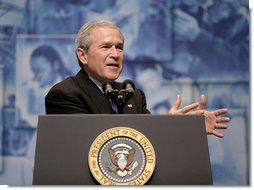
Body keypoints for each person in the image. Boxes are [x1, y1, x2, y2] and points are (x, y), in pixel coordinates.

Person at [45, 19, 229, 138]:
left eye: (119, 47)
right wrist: (166, 126)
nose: (115, 54)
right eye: (106, 47)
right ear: (83, 55)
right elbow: (102, 141)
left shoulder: (132, 94)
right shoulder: (65, 93)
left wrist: (179, 126)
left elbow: (148, 140)